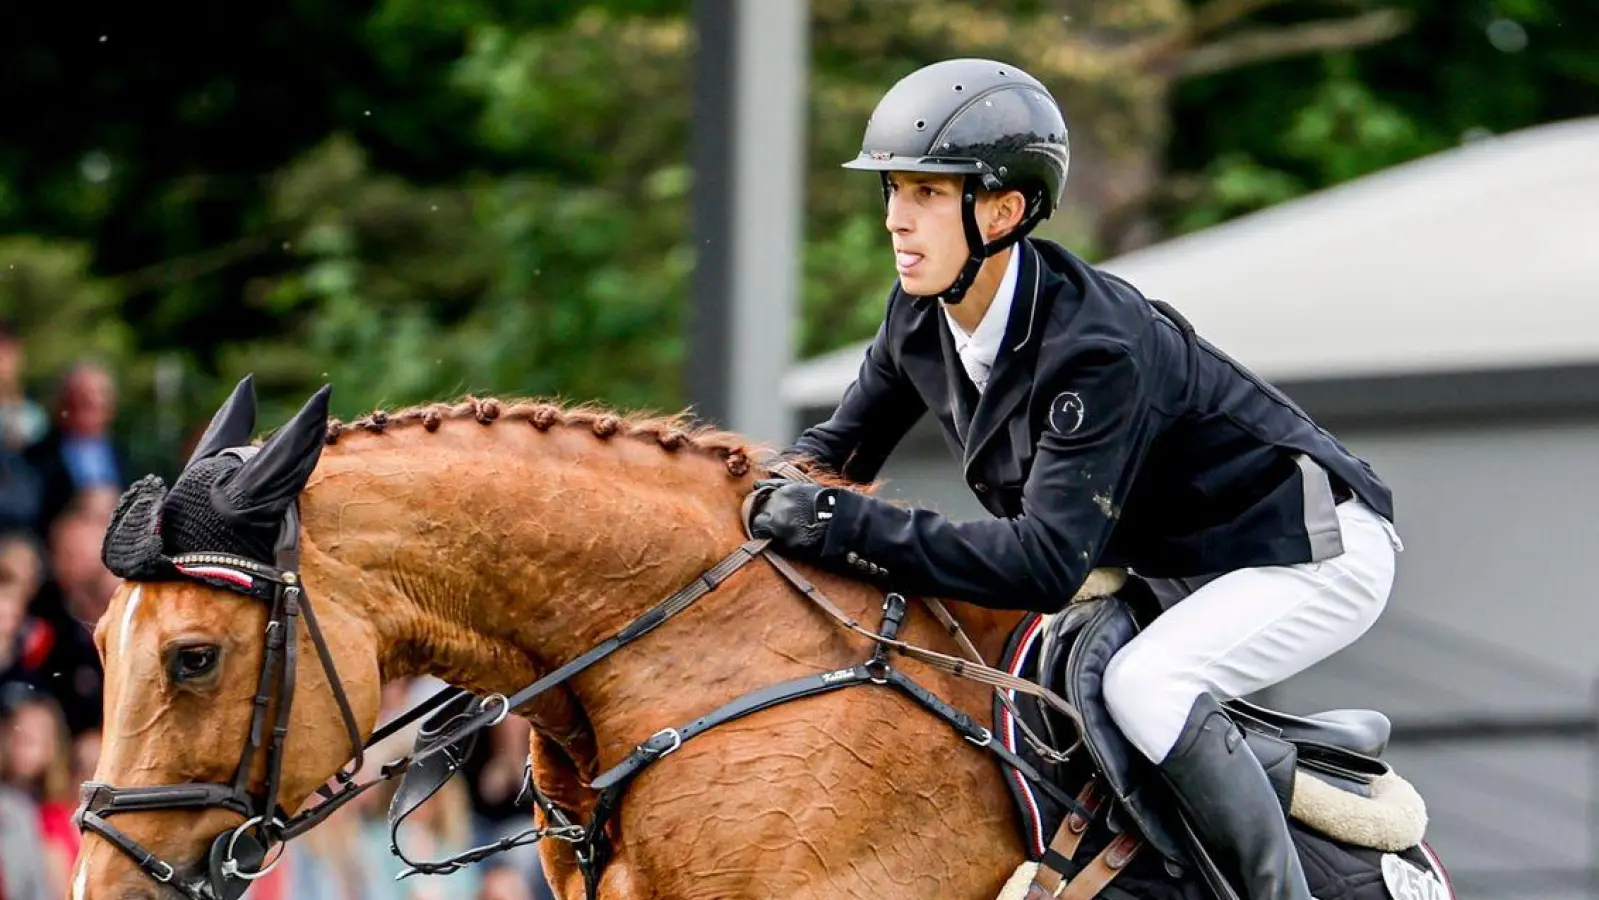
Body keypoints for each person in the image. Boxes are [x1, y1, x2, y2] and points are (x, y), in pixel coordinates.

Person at [747, 58, 1403, 900]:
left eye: (925, 194)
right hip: (1192, 558)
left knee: (1147, 683)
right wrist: (731, 500)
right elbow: (829, 456)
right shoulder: (920, 312)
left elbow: (1042, 565)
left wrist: (840, 524)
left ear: (1004, 209)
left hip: (1311, 550)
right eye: (891, 193)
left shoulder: (1097, 348)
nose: (895, 222)